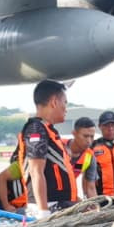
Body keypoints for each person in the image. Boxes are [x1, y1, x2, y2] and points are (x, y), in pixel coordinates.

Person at [18, 79, 78, 215]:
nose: (66, 108)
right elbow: (35, 171)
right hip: (48, 206)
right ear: (54, 102)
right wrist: (43, 211)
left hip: (60, 204)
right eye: (65, 103)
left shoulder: (48, 130)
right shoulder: (36, 129)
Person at [67, 116, 99, 200]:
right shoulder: (59, 146)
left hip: (68, 195)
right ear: (74, 133)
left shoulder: (90, 156)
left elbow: (91, 188)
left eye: (92, 137)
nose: (89, 141)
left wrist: (95, 207)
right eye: (85, 136)